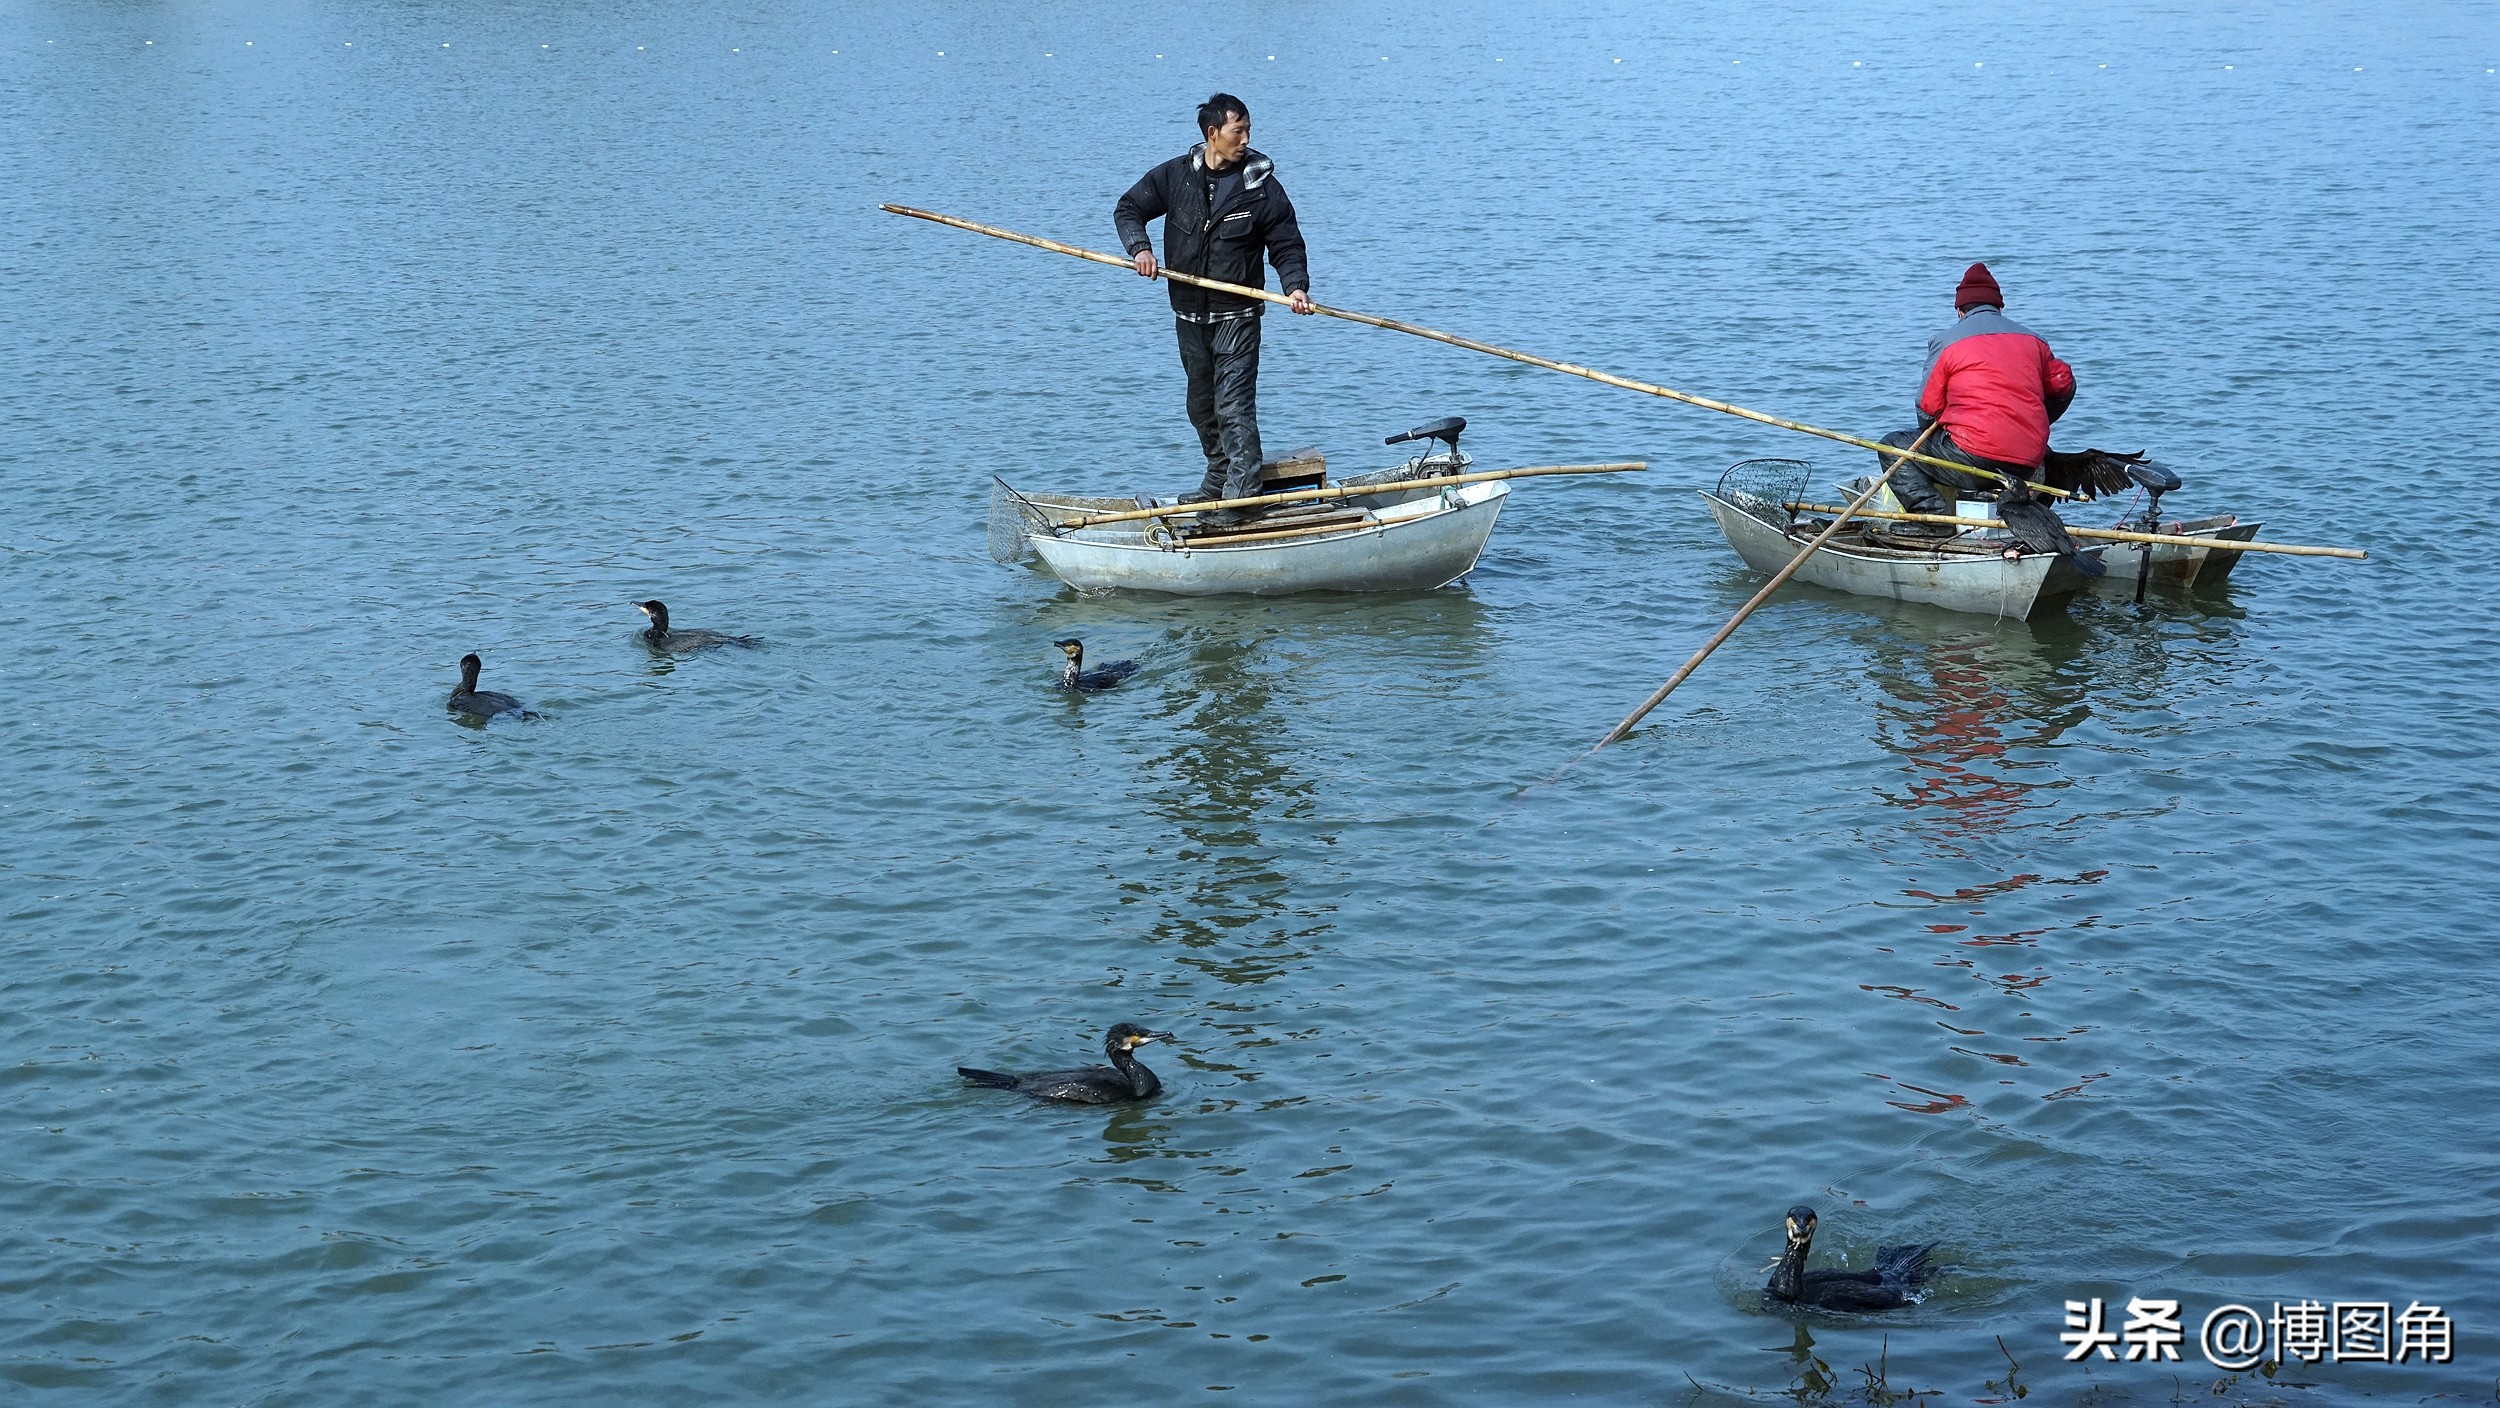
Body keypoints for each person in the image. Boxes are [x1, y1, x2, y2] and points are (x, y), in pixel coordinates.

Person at [1114, 93, 1313, 527]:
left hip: (1238, 316)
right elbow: (1128, 209)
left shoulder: (1260, 186)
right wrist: (1140, 249)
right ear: (1212, 134)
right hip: (1188, 315)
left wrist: (1295, 287)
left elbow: (1286, 242)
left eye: (1247, 131)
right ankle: (1220, 475)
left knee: (1234, 407)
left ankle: (1240, 501)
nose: (1245, 140)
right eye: (1237, 132)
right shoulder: (1174, 177)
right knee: (1200, 406)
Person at [1879, 262, 2076, 533]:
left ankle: (1931, 519)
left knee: (1892, 446)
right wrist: (2041, 420)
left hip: (1975, 456)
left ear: (1959, 311)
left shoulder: (1947, 341)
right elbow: (2065, 383)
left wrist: (1940, 433)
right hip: (2030, 459)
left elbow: (1926, 407)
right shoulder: (2034, 340)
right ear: (1999, 308)